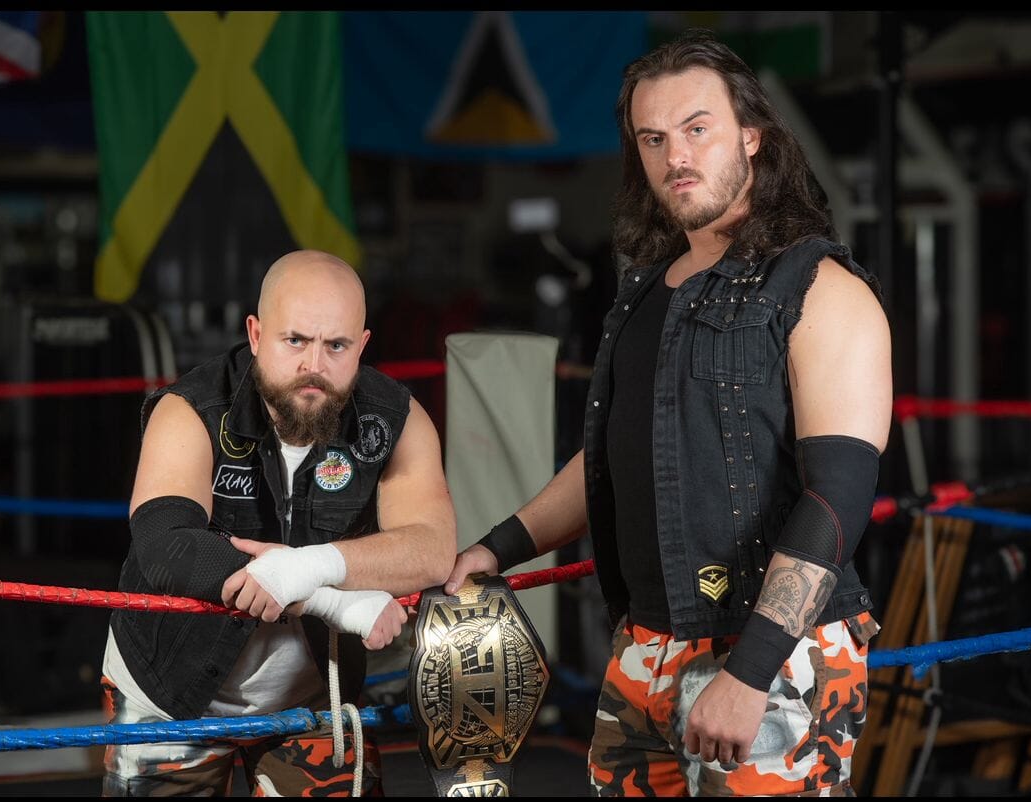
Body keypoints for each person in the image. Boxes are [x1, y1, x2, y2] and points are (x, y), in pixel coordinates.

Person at [445, 29, 891, 797]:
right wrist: (497, 547)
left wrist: (750, 671)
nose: (673, 157)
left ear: (751, 136)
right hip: (646, 642)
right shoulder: (646, 295)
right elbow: (615, 456)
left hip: (774, 653)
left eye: (696, 128)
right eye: (652, 139)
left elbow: (838, 497)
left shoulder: (821, 289)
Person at [101, 249, 456, 796]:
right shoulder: (193, 408)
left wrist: (309, 567)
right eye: (295, 341)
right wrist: (332, 599)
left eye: (336, 345)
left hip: (311, 694)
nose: (314, 364)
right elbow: (164, 542)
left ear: (362, 345)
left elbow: (431, 547)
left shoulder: (393, 419)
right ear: (256, 333)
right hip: (167, 689)